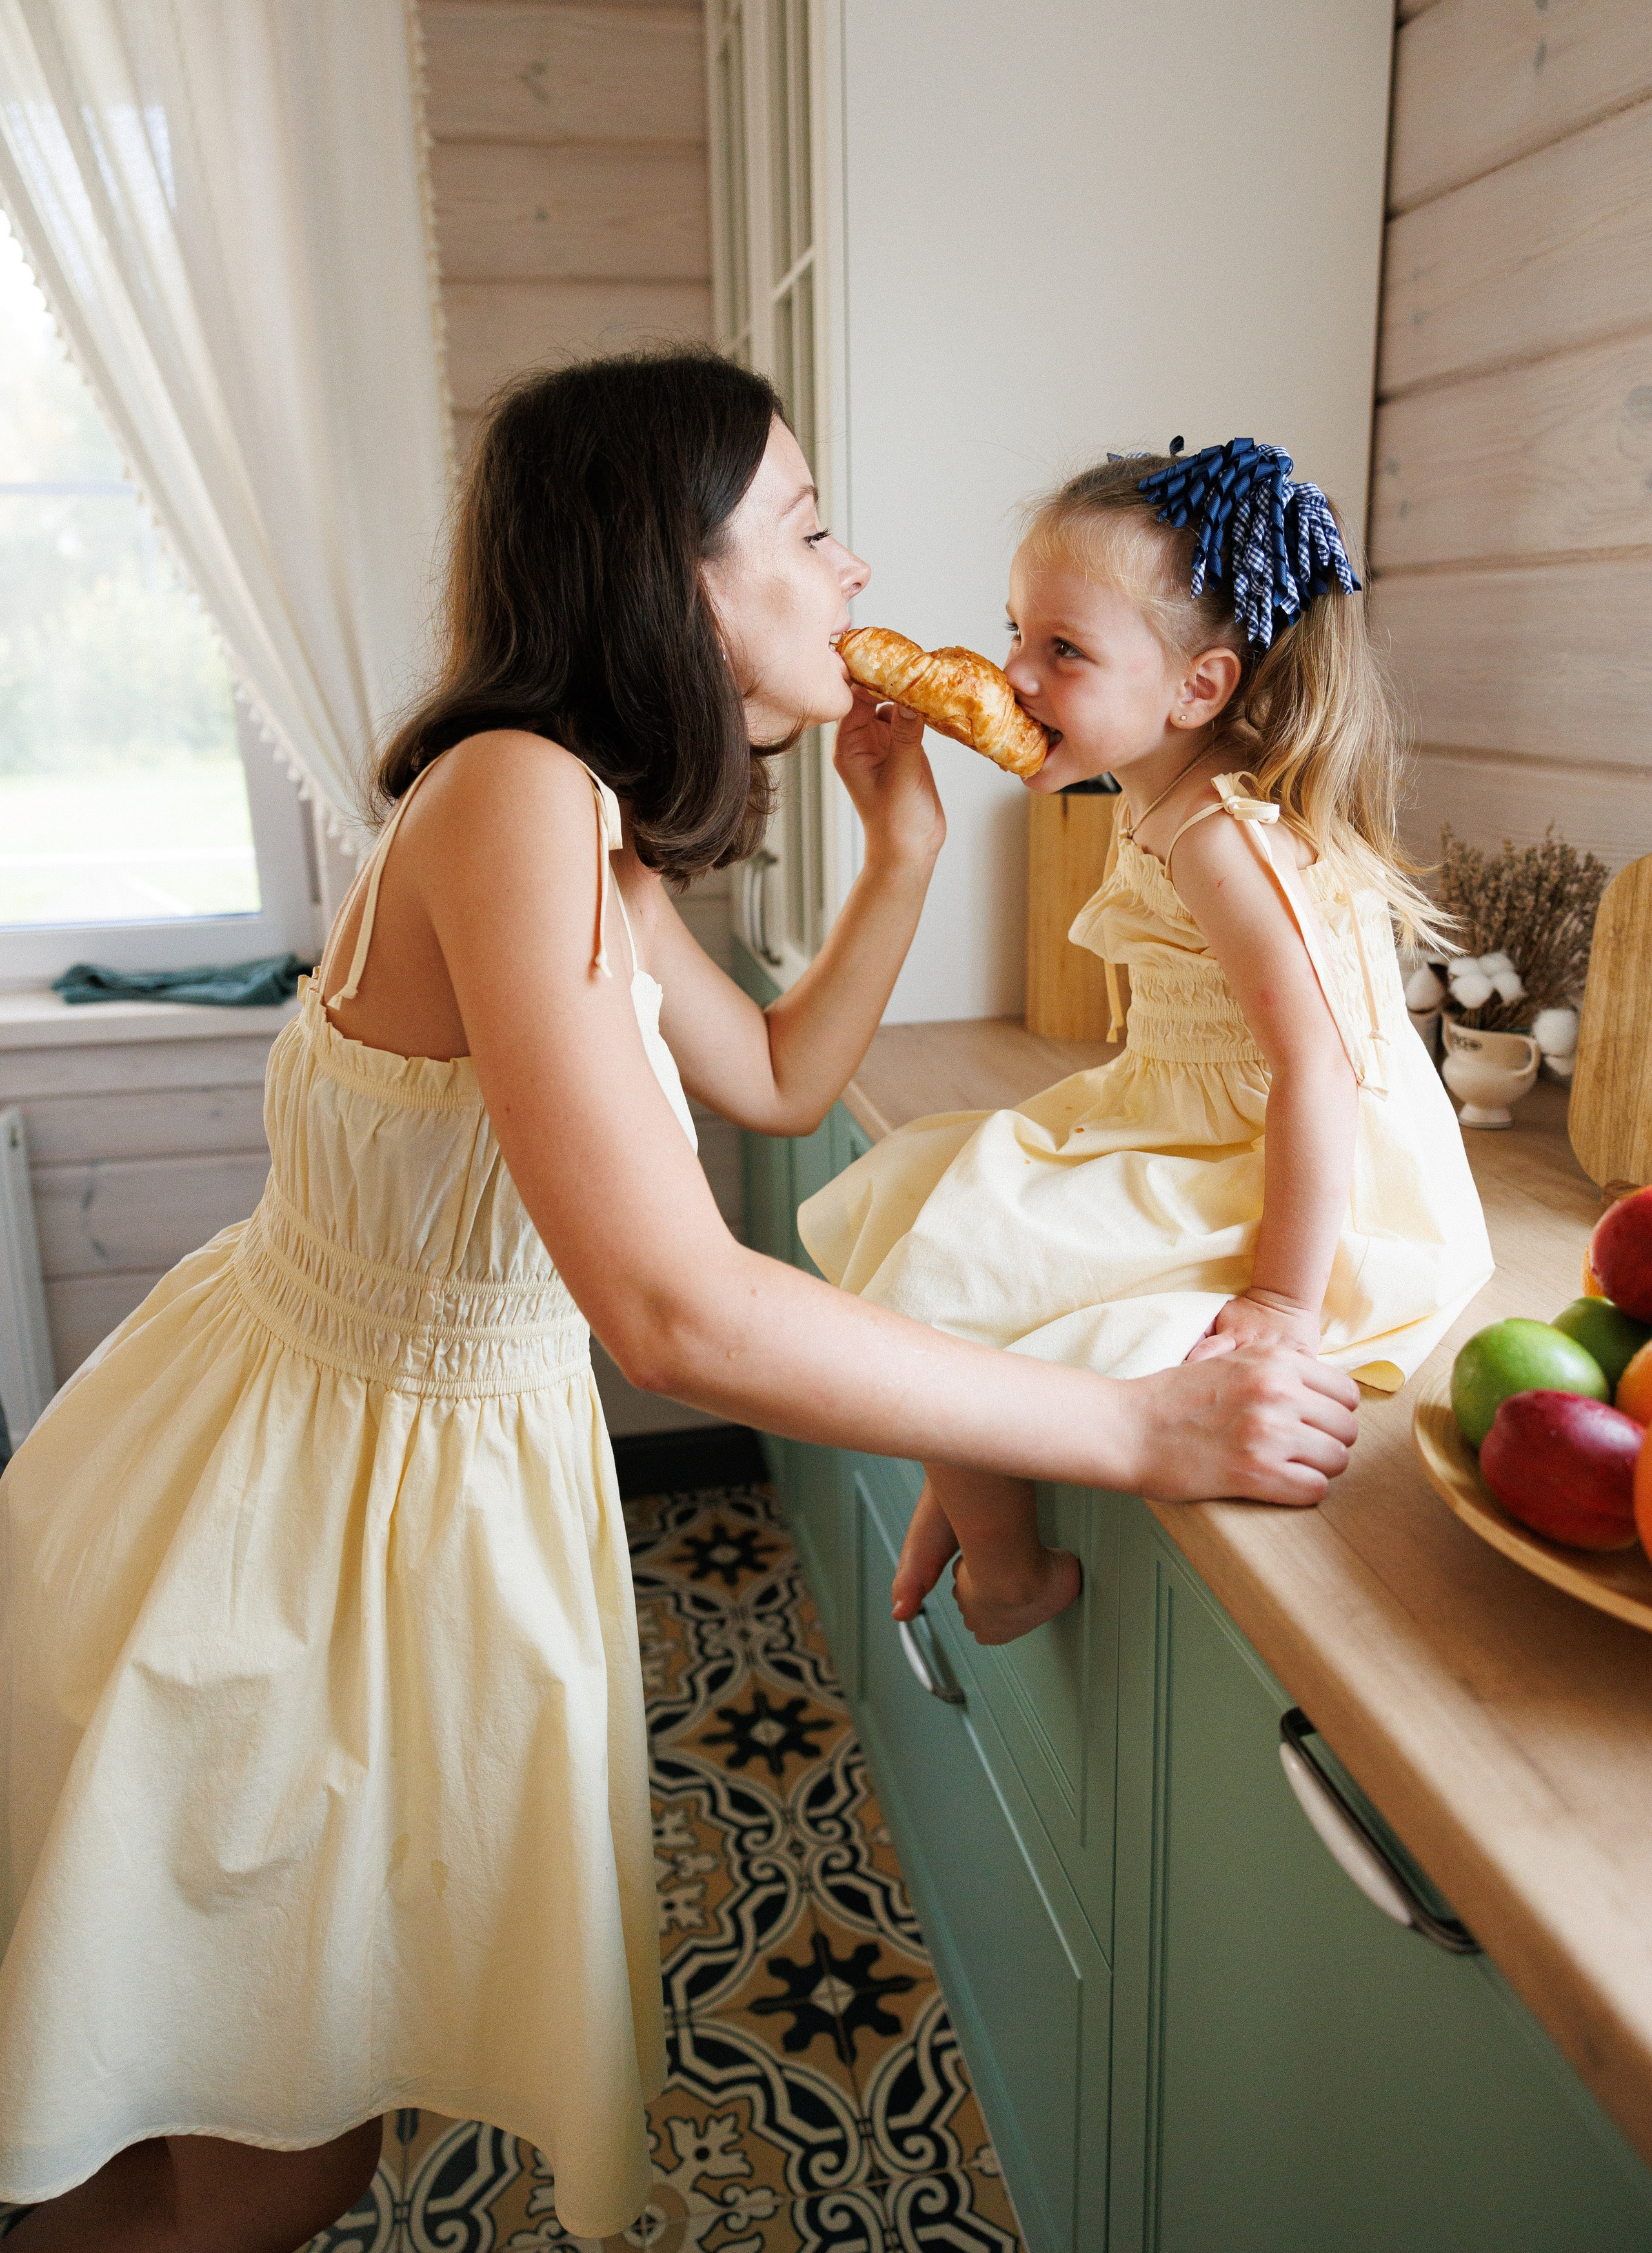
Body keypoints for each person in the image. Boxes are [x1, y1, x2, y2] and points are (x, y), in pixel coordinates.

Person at [0, 367, 1359, 2253]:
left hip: (404, 1491)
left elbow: (781, 1081)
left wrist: (902, 850)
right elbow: (669, 1309)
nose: (854, 567)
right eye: (806, 525)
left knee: (257, 2112)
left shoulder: (584, 825)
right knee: (261, 2155)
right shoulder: (515, 796)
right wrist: (1134, 1425)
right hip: (299, 1519)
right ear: (673, 576)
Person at [801, 440, 1493, 1648]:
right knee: (928, 1204)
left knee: (936, 1280)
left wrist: (1281, 1300)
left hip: (1279, 1176)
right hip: (1183, 1122)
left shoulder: (1221, 836)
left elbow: (1320, 1067)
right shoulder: (1163, 793)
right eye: (1015, 632)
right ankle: (967, 1487)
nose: (1013, 674)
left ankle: (1008, 1569)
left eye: (1063, 651)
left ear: (1196, 687)